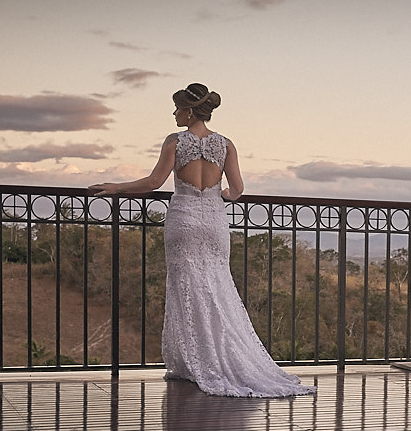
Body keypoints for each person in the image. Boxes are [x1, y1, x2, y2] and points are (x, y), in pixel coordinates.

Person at [89, 83, 316, 398]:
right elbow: (237, 190)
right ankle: (222, 359)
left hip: (183, 220)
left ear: (190, 111)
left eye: (177, 108)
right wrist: (219, 194)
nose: (174, 114)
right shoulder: (226, 144)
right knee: (218, 287)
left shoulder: (175, 142)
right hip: (213, 221)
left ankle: (196, 362)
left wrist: (116, 187)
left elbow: (155, 182)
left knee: (187, 291)